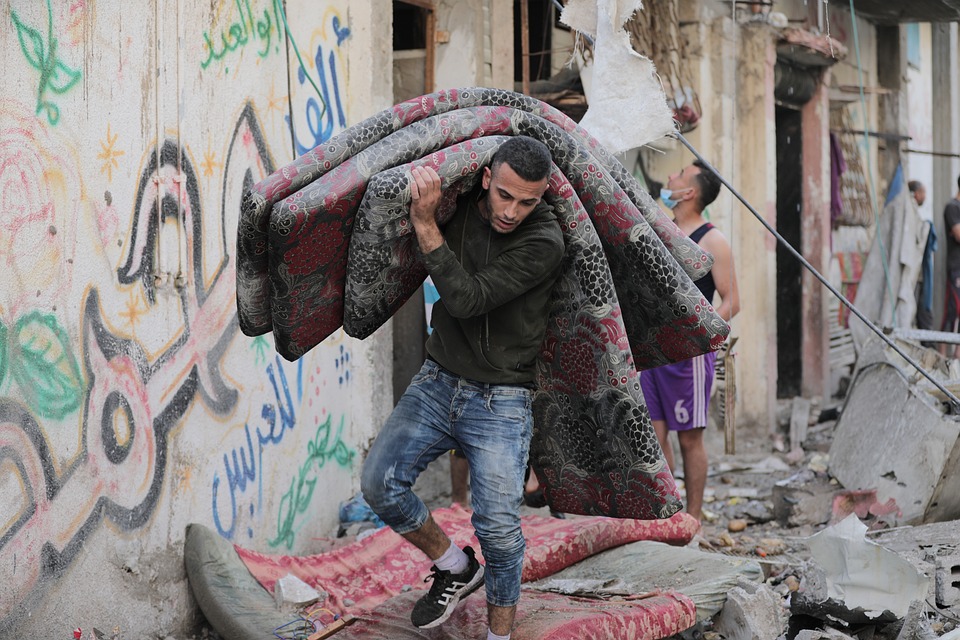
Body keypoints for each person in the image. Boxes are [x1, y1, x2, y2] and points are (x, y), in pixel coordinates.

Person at [361, 135, 563, 640]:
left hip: (502, 399)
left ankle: (498, 637)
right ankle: (453, 566)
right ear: (486, 177)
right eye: (505, 196)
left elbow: (468, 300)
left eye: (528, 201)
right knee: (378, 483)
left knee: (497, 528)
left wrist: (425, 224)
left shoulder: (545, 240)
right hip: (438, 379)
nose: (512, 212)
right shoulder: (458, 205)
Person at [639, 160, 740, 523]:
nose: (669, 176)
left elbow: (731, 301)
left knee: (689, 441)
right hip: (651, 352)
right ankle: (670, 517)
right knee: (654, 437)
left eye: (678, 174)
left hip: (690, 356)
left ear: (690, 192)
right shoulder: (660, 229)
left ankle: (694, 520)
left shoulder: (713, 239)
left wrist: (696, 332)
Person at [909, 180, 936, 335]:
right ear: (916, 194)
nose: (925, 196)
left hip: (918, 275)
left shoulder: (915, 213)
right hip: (913, 275)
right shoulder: (910, 212)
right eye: (923, 192)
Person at [940, 174, 960, 357]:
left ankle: (958, 355)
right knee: (953, 309)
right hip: (956, 267)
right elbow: (958, 234)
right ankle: (942, 354)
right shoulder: (952, 207)